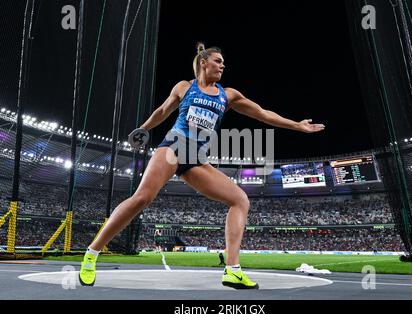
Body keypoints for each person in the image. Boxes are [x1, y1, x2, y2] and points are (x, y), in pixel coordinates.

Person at [79, 43, 325, 289]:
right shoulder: (185, 87)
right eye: (217, 60)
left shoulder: (228, 95)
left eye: (223, 62)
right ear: (203, 62)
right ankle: (91, 254)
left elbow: (263, 114)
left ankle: (232, 270)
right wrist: (143, 129)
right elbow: (163, 111)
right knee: (143, 197)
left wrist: (296, 125)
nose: (222, 65)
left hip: (196, 158)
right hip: (173, 148)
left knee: (240, 200)